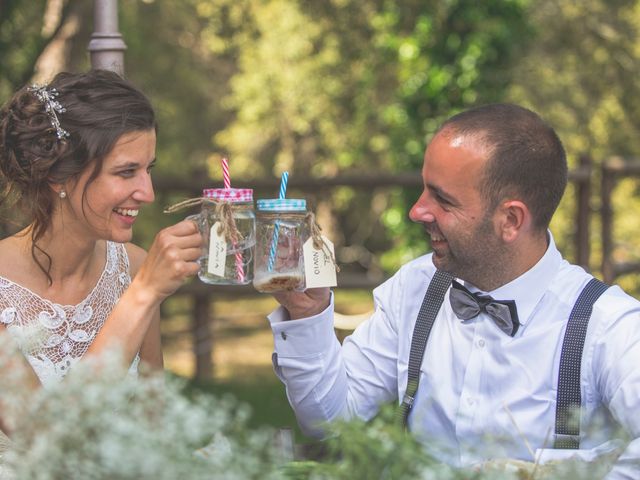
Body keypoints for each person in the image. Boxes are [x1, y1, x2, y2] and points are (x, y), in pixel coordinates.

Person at [267, 103, 640, 478]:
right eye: (424, 190)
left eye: (442, 200)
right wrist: (306, 313)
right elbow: (332, 422)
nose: (417, 211)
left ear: (510, 220)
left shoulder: (607, 326)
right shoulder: (414, 289)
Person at [0, 70, 202, 433]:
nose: (148, 193)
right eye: (126, 172)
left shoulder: (136, 267)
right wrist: (142, 295)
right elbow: (47, 448)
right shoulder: (144, 283)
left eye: (148, 170)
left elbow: (152, 423)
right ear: (59, 176)